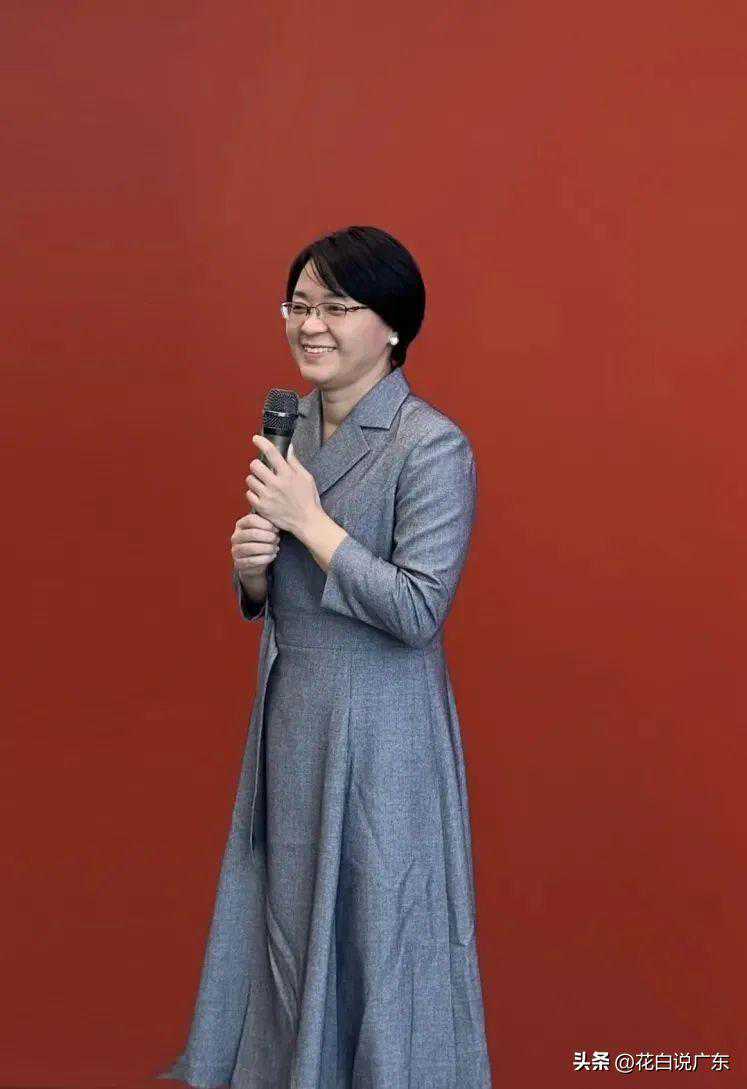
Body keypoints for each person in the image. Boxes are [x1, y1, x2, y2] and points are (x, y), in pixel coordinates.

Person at [156, 225, 492, 1088]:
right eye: (298, 306)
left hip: (382, 730)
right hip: (292, 717)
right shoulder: (292, 427)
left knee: (381, 935)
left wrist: (311, 524)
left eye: (336, 307)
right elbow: (287, 592)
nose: (310, 326)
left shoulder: (430, 445)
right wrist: (252, 575)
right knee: (282, 925)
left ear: (393, 326)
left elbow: (417, 609)